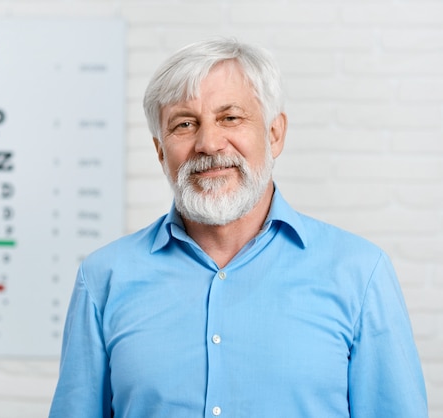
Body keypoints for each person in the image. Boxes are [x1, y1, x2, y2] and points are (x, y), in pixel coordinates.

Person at [49, 38, 428, 417]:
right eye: (185, 124)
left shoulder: (360, 274)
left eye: (230, 118)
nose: (209, 143)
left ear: (274, 134)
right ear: (160, 150)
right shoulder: (102, 279)